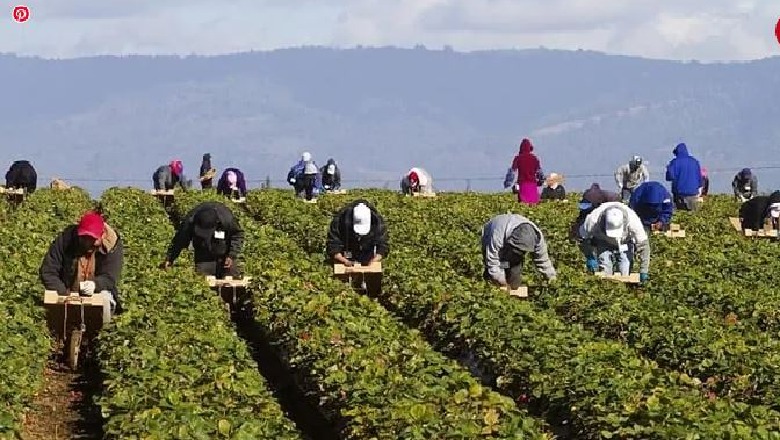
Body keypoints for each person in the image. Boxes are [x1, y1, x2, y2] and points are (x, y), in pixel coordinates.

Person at [39, 211, 124, 317]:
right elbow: (48, 271)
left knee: (106, 301)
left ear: (102, 235)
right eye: (84, 238)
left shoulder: (112, 245)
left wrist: (95, 285)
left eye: (92, 239)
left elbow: (110, 277)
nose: (88, 243)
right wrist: (64, 293)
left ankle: (102, 329)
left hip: (98, 292)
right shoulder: (66, 239)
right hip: (68, 292)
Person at [161, 202, 244, 278]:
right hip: (203, 255)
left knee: (231, 278)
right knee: (201, 279)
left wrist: (231, 255)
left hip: (224, 253)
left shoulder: (227, 219)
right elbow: (180, 240)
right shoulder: (190, 221)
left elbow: (237, 235)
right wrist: (170, 258)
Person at [578, 202, 650, 282]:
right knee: (605, 270)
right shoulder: (593, 219)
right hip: (603, 241)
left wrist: (644, 270)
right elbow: (583, 238)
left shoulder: (633, 221)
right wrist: (589, 256)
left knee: (624, 270)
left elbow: (644, 246)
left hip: (624, 243)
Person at [481, 214, 557, 289]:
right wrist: (503, 284)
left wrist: (552, 279)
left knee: (514, 267)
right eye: (517, 250)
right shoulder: (497, 236)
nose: (520, 253)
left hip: (508, 233)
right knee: (494, 271)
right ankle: (490, 287)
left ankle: (513, 286)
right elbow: (493, 263)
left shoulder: (538, 240)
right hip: (490, 234)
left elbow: (543, 262)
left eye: (523, 251)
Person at [327, 200, 389, 267]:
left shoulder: (377, 221)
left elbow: (382, 244)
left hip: (367, 248)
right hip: (347, 247)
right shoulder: (340, 220)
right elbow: (333, 242)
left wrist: (375, 260)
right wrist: (342, 259)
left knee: (367, 261)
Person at [665, 143, 702, 211]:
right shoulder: (695, 162)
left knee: (681, 212)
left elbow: (669, 177)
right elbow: (700, 179)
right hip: (694, 193)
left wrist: (668, 169)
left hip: (680, 193)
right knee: (694, 214)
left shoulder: (674, 163)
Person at [511, 138, 542, 204]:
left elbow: (512, 172)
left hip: (522, 184)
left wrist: (508, 183)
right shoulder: (534, 158)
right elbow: (540, 173)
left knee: (523, 204)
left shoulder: (518, 158)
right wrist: (540, 181)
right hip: (533, 185)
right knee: (534, 204)